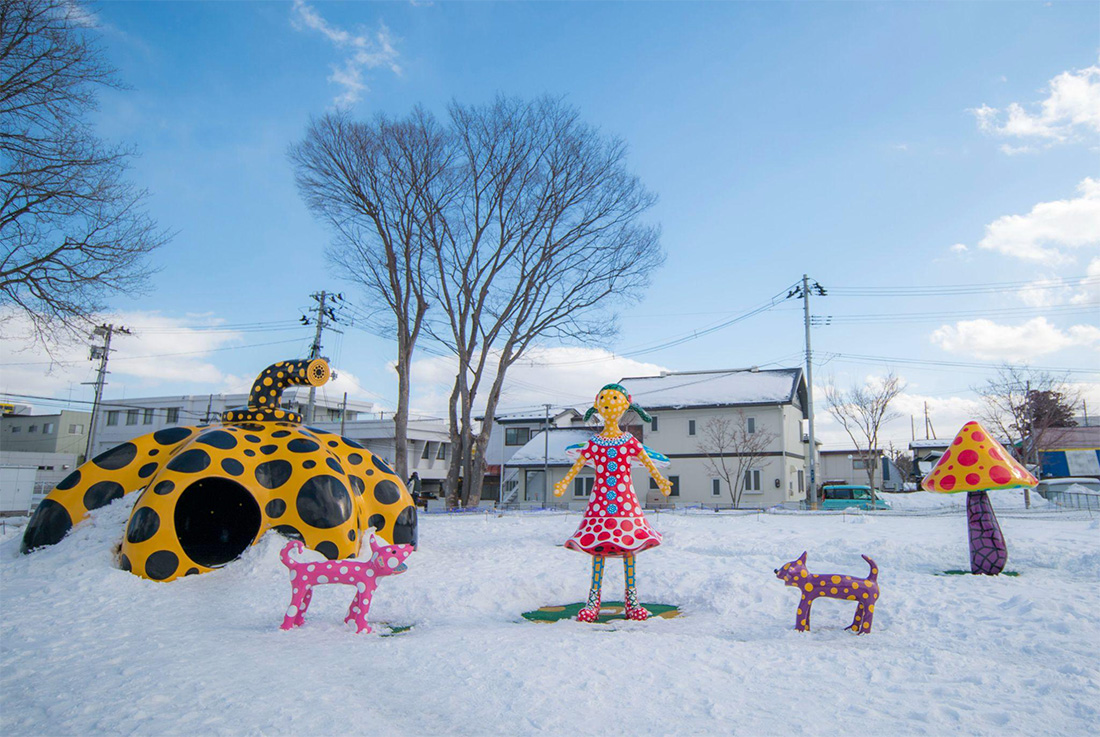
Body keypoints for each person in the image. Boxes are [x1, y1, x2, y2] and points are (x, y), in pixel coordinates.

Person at [554, 383, 672, 621]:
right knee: (599, 546)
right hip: (600, 504)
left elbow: (647, 461)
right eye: (605, 400)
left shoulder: (629, 441)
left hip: (625, 503)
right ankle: (593, 600)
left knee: (629, 546)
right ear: (598, 404)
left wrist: (661, 479)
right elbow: (577, 465)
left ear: (625, 404)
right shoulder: (595, 443)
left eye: (614, 400)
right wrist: (564, 482)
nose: (609, 405)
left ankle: (632, 601)